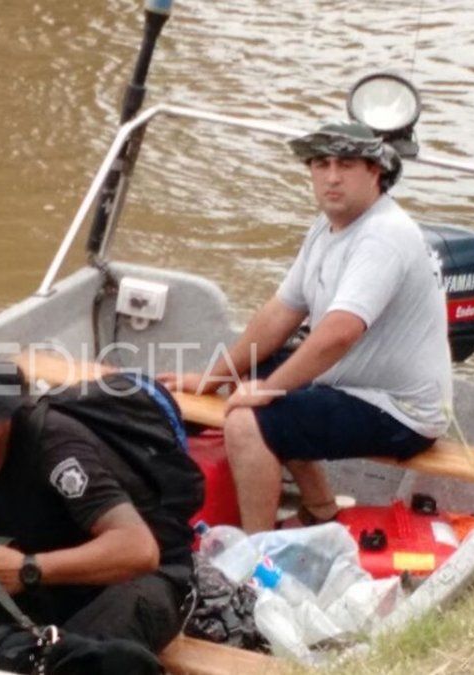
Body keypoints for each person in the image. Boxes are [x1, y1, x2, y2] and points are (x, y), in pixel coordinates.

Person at [160, 121, 452, 533]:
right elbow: (281, 311)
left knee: (248, 420)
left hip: (399, 410)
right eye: (321, 163)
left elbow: (339, 332)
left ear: (376, 172)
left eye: (347, 164)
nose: (332, 177)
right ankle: (320, 509)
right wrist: (212, 377)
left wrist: (269, 390)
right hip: (352, 382)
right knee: (249, 371)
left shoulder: (384, 235)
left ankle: (255, 557)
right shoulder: (327, 226)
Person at [0, 339, 190, 672]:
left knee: (75, 654)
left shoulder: (55, 446)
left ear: (1, 408)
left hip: (137, 578)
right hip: (43, 573)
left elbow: (140, 550)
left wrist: (29, 567)